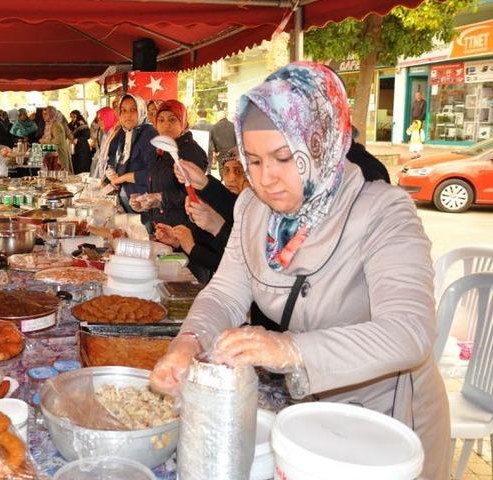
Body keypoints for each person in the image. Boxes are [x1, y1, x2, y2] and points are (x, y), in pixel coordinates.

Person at [149, 62, 448, 479]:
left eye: (284, 158)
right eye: (252, 160)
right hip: (303, 421)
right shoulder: (253, 209)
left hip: (383, 428)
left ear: (322, 142)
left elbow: (409, 331)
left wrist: (290, 350)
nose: (265, 178)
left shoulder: (383, 211)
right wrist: (188, 342)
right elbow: (224, 294)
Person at [131, 99, 208, 228]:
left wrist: (160, 197)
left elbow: (195, 194)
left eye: (172, 120)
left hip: (182, 230)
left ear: (183, 122)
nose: (166, 125)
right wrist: (146, 202)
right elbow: (161, 184)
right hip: (163, 226)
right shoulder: (163, 149)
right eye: (161, 120)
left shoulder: (190, 152)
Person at [104, 94, 158, 216]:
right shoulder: (123, 133)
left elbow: (152, 174)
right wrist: (111, 172)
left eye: (133, 110)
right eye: (123, 110)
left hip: (143, 204)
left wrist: (122, 178)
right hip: (124, 200)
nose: (128, 115)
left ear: (141, 110)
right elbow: (113, 157)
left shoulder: (149, 134)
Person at [39, 106, 73, 173]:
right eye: (43, 114)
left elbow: (57, 141)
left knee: (60, 178)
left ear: (52, 114)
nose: (43, 116)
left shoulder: (56, 125)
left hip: (58, 157)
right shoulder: (49, 124)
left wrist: (44, 141)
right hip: (52, 155)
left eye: (46, 114)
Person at [89, 106, 119, 178]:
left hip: (112, 174)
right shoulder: (105, 134)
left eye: (101, 119)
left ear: (109, 117)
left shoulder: (117, 134)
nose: (99, 123)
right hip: (104, 171)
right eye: (98, 120)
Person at [69, 109, 92, 174]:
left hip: (83, 147)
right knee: (75, 164)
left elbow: (87, 136)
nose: (72, 118)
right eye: (71, 117)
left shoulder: (82, 123)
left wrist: (78, 140)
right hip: (74, 147)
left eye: (74, 117)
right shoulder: (71, 124)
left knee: (82, 165)